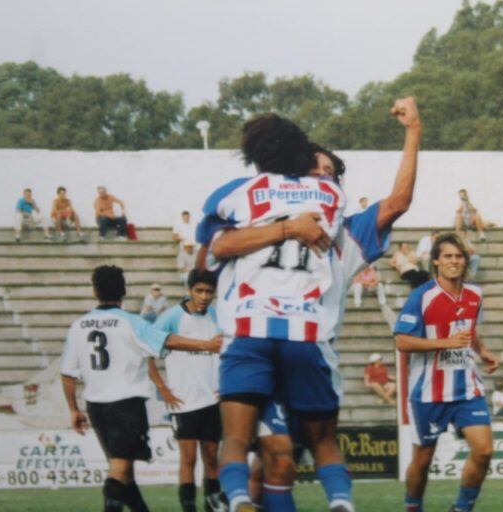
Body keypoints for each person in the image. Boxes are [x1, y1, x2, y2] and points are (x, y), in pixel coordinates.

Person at [199, 97, 421, 512]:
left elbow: (398, 202)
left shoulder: (348, 237)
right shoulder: (259, 216)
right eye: (315, 169)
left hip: (304, 345)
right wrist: (283, 228)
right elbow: (213, 252)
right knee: (277, 460)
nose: (322, 175)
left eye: (331, 173)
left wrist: (412, 132)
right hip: (266, 339)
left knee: (282, 461)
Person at [60, 265, 221, 512]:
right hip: (125, 404)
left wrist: (73, 409)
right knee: (120, 469)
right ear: (124, 292)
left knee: (124, 472)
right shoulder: (131, 323)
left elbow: (68, 373)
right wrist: (206, 346)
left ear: (94, 292)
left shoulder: (78, 326)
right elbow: (168, 340)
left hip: (95, 407)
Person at [394, 233, 499, 512]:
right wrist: (445, 343)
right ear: (436, 261)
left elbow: (469, 331)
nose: (454, 261)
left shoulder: (476, 295)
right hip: (428, 392)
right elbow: (402, 341)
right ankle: (413, 507)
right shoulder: (422, 296)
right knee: (423, 460)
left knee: (484, 450)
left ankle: (462, 509)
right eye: (448, 256)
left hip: (466, 388)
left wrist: (483, 350)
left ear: (465, 261)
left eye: (459, 256)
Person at [147, 270, 224, 512]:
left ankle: (212, 508)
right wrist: (162, 387)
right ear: (189, 290)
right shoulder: (171, 317)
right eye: (199, 291)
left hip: (212, 400)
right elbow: (146, 352)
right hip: (184, 401)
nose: (204, 296)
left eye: (209, 291)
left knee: (212, 458)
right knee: (188, 459)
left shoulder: (217, 316)